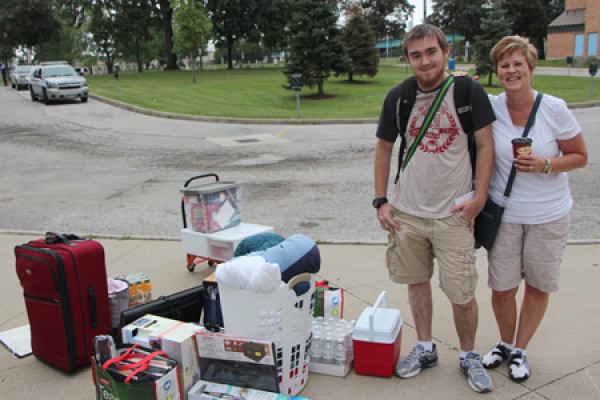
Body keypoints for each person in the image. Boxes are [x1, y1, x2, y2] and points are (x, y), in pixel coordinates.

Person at [373, 24, 495, 393]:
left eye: (431, 52)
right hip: (407, 213)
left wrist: (479, 198)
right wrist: (381, 201)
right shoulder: (398, 97)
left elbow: (486, 147)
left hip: (453, 214)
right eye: (416, 54)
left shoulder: (467, 91)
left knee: (461, 293)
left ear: (445, 51)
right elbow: (383, 148)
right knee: (416, 282)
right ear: (407, 58)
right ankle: (425, 347)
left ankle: (469, 354)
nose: (425, 61)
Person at [481, 36, 588, 382]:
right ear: (496, 71)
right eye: (504, 65)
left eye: (518, 64)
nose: (511, 70)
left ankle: (520, 349)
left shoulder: (553, 108)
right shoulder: (492, 107)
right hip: (506, 215)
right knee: (502, 288)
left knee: (538, 286)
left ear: (530, 68)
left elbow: (580, 156)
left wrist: (546, 164)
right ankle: (504, 343)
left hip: (548, 214)